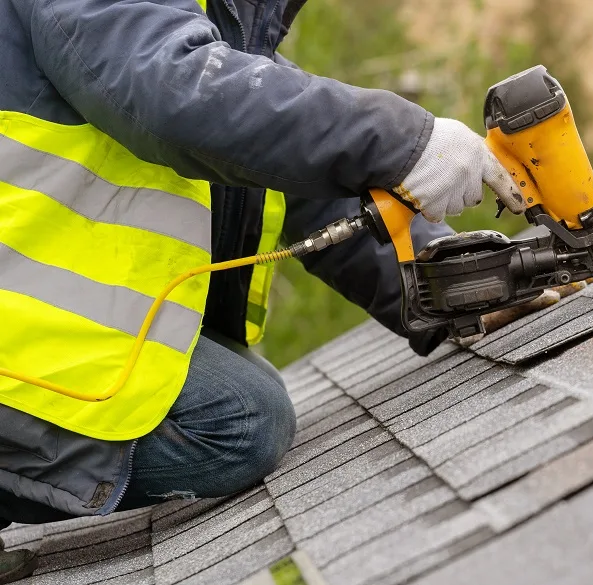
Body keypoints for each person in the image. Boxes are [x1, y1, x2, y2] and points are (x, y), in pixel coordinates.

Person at [0, 0, 526, 580]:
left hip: (34, 328)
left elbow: (303, 179)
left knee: (243, 395)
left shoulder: (222, 21)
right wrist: (403, 141)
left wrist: (449, 281)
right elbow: (180, 94)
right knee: (239, 421)